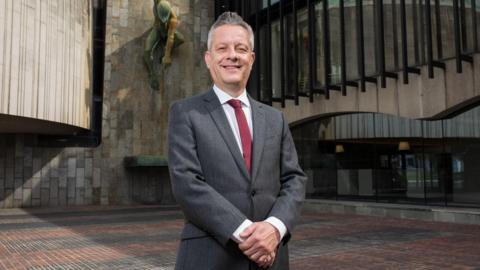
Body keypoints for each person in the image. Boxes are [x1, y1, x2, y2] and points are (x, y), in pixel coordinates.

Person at [168, 12, 306, 270]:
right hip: (210, 257)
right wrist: (250, 236)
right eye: (222, 48)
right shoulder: (185, 113)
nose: (232, 55)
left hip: (271, 258)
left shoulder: (276, 119)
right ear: (209, 59)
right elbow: (186, 183)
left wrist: (274, 229)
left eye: (241, 49)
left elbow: (294, 180)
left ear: (251, 59)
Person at [144, 0, 184, 90]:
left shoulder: (173, 19)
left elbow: (170, 37)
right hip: (157, 29)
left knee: (181, 39)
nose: (163, 21)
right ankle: (152, 74)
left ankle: (165, 50)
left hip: (167, 31)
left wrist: (167, 55)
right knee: (147, 51)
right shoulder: (156, 2)